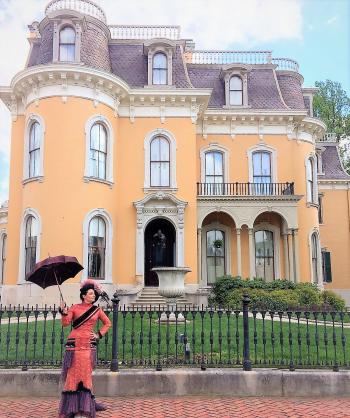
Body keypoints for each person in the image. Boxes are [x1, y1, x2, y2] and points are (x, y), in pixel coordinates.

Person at [58, 279, 111, 418]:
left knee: (85, 375)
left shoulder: (97, 310)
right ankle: (70, 408)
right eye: (91, 293)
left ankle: (87, 404)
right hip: (74, 345)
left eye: (94, 294)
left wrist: (98, 334)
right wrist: (64, 312)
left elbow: (107, 323)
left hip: (88, 345)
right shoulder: (74, 308)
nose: (93, 296)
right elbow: (65, 323)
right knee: (72, 376)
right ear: (83, 295)